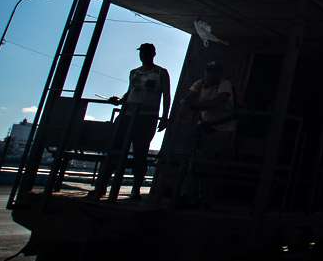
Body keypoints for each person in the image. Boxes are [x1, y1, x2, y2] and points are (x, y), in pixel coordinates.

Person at [92, 42, 171, 200]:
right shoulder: (134, 72)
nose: (143, 55)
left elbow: (166, 96)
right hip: (127, 115)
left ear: (153, 54)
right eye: (141, 52)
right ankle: (101, 187)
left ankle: (135, 189)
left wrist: (164, 117)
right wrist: (120, 100)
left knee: (140, 153)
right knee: (115, 149)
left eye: (146, 52)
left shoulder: (161, 73)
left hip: (147, 117)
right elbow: (130, 92)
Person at [180, 61, 237, 205]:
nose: (211, 74)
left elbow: (218, 102)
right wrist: (188, 105)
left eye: (215, 71)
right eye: (209, 71)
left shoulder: (225, 84)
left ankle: (207, 198)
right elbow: (187, 99)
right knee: (193, 161)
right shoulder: (199, 83)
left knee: (212, 164)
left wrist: (194, 106)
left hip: (222, 129)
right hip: (205, 127)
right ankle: (189, 194)